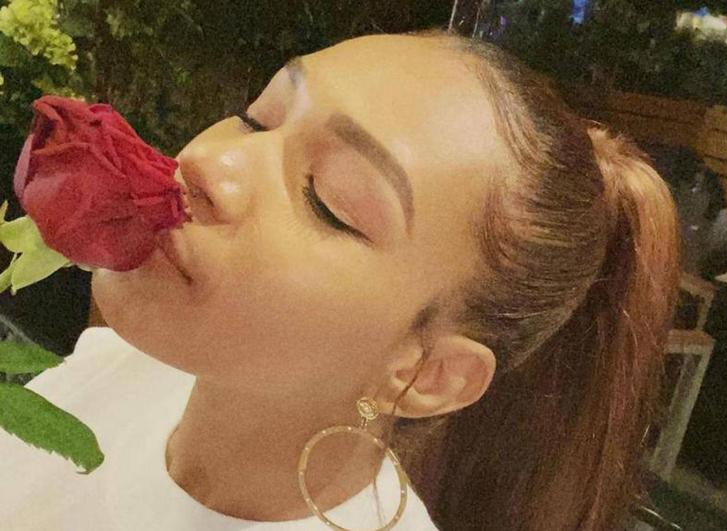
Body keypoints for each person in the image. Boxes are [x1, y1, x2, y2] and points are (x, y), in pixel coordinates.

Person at [0, 27, 681, 531]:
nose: (212, 165)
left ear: (427, 374)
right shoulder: (116, 365)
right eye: (256, 118)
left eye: (328, 200)